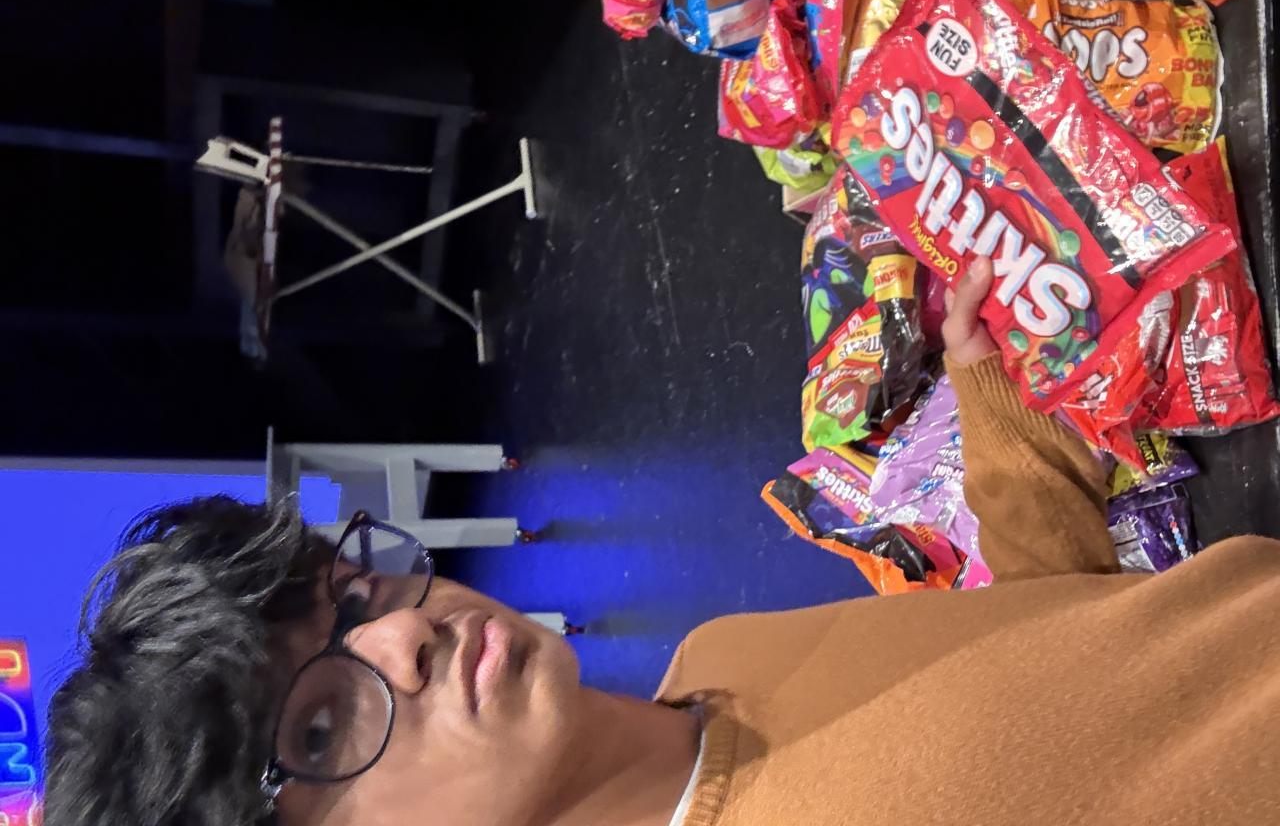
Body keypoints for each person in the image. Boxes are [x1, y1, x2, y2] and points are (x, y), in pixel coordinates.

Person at [45, 258, 1280, 826]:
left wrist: (994, 408)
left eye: (353, 594)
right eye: (318, 730)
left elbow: (1064, 658)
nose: (405, 638)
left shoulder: (716, 664)